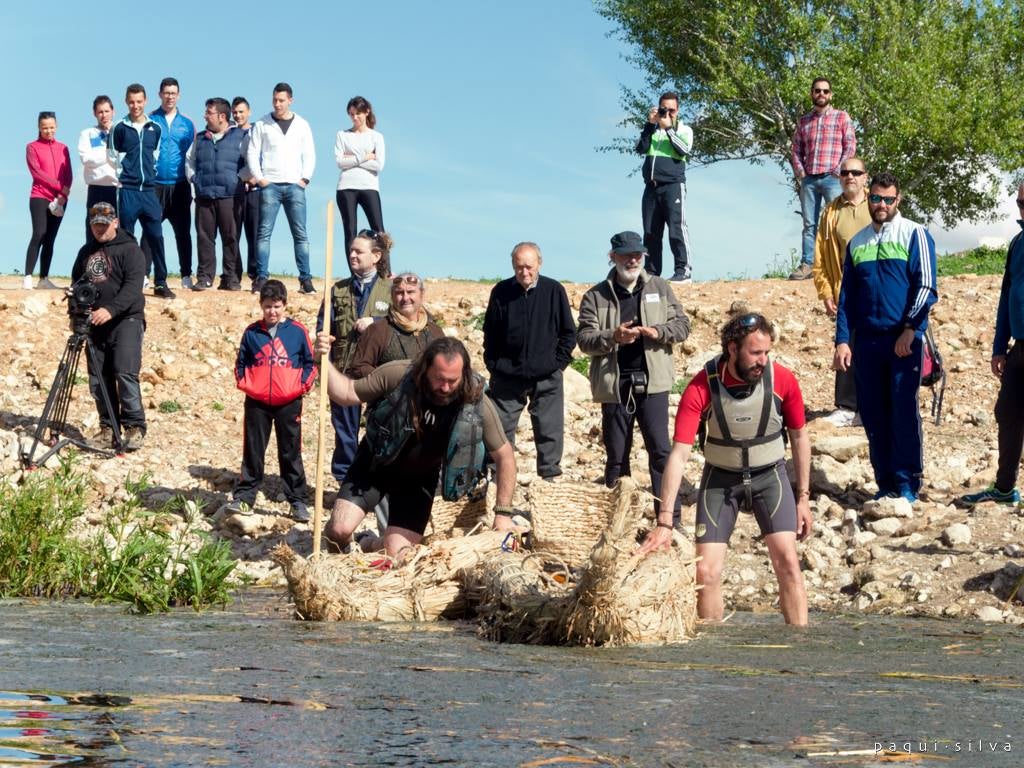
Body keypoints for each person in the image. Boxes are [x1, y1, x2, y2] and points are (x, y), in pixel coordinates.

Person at [639, 312, 812, 626]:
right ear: (732, 349)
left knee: (788, 561)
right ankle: (712, 658)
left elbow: (800, 437)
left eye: (766, 353)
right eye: (755, 353)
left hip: (770, 478)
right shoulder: (702, 387)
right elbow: (678, 456)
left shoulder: (783, 380)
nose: (763, 360)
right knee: (706, 571)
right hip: (720, 481)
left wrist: (803, 498)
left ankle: (800, 650)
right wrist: (665, 521)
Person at [316, 336, 518, 558]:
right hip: (376, 462)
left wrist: (503, 513)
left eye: (453, 380)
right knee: (339, 529)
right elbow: (347, 393)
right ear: (425, 369)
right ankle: (340, 548)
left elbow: (505, 457)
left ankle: (367, 543)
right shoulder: (399, 374)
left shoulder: (474, 399)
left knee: (397, 554)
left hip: (418, 479)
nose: (445, 387)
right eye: (439, 379)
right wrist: (322, 361)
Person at [834, 171, 938, 502]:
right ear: (869, 198)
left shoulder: (915, 233)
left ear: (899, 199)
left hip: (902, 341)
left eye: (888, 199)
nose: (881, 205)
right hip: (867, 342)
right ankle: (885, 483)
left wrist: (911, 329)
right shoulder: (857, 243)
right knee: (874, 412)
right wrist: (842, 340)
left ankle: (908, 483)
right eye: (876, 198)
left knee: (902, 411)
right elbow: (846, 297)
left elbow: (926, 287)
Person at [577, 230, 691, 525]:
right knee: (616, 457)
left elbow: (682, 326)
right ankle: (616, 524)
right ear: (612, 257)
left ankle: (670, 521)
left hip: (653, 385)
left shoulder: (660, 287)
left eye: (637, 254)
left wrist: (658, 332)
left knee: (661, 453)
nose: (632, 259)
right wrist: (613, 336)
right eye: (626, 254)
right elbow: (585, 340)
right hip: (615, 386)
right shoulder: (595, 295)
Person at [482, 242, 576, 479]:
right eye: (518, 267)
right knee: (499, 432)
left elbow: (568, 332)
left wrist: (557, 365)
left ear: (539, 264)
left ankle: (549, 482)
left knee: (550, 432)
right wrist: (494, 365)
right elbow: (490, 334)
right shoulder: (501, 291)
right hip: (507, 377)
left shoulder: (554, 290)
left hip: (546, 376)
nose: (524, 272)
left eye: (529, 267)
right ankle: (496, 482)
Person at [957, 184, 1024, 507]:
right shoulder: (1018, 243)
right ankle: (1004, 488)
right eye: (1020, 203)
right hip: (1019, 347)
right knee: (1007, 412)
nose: (1022, 210)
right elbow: (1006, 295)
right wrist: (1000, 346)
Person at [227, 279, 316, 521]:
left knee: (290, 451)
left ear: (285, 305)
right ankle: (245, 497)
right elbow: (241, 362)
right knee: (253, 449)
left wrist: (302, 386)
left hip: (289, 401)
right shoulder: (252, 332)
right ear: (261, 306)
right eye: (267, 306)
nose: (272, 311)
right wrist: (245, 383)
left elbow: (310, 363)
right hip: (257, 401)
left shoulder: (298, 332)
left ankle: (297, 502)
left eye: (276, 306)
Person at [318, 230, 393, 482]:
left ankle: (373, 484)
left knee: (379, 429)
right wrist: (322, 338)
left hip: (378, 374)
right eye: (350, 250)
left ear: (376, 256)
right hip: (343, 371)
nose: (352, 255)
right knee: (345, 432)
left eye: (358, 251)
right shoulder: (337, 289)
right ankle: (345, 482)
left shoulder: (392, 290)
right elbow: (323, 325)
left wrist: (376, 321)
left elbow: (405, 323)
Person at [70, 202, 147, 451]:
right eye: (95, 225)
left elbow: (133, 288)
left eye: (104, 224)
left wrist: (110, 310)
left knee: (124, 371)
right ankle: (108, 428)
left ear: (115, 222)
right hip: (94, 324)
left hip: (127, 319)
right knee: (98, 377)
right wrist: (76, 312)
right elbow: (76, 284)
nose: (99, 230)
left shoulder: (130, 250)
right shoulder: (85, 252)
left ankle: (134, 427)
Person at [813, 156, 872, 427]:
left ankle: (872, 408)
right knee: (846, 344)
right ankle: (847, 407)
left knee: (875, 348)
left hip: (878, 290)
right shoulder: (831, 212)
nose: (850, 177)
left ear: (865, 176)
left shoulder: (877, 204)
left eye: (856, 172)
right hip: (846, 289)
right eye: (845, 172)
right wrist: (825, 290)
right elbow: (821, 255)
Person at [246, 82, 316, 295]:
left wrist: (304, 179)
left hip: (295, 185)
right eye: (275, 100)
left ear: (290, 101)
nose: (277, 104)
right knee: (264, 233)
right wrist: (259, 178)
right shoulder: (262, 124)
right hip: (270, 185)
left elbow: (309, 153)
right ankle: (261, 278)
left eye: (282, 100)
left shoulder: (302, 124)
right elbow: (252, 151)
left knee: (300, 234)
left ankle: (306, 280)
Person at [109, 83, 174, 299]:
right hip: (127, 190)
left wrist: (150, 176)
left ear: (145, 101)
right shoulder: (118, 128)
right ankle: (128, 283)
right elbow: (111, 156)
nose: (135, 105)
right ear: (126, 102)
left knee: (156, 236)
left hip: (149, 191)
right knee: (126, 238)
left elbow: (155, 155)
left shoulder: (155, 128)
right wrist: (122, 176)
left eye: (139, 101)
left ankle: (161, 282)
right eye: (131, 102)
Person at [790, 77, 856, 281]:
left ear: (830, 95)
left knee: (838, 221)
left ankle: (844, 265)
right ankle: (807, 265)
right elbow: (796, 150)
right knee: (809, 224)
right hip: (809, 180)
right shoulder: (804, 121)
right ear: (812, 93)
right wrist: (801, 173)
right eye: (817, 91)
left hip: (832, 178)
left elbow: (850, 145)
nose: (821, 94)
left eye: (825, 91)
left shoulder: (841, 117)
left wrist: (838, 171)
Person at [185, 98, 244, 290]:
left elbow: (251, 161)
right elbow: (189, 161)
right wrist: (194, 179)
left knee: (231, 237)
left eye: (209, 113)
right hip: (204, 196)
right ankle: (205, 278)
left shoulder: (241, 136)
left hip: (230, 196)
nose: (205, 116)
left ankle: (231, 279)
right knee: (204, 237)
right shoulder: (200, 138)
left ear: (222, 116)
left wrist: (239, 179)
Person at [636, 90, 694, 282]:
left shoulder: (684, 129)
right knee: (651, 232)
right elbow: (640, 149)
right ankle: (652, 273)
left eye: (672, 110)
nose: (667, 113)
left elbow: (683, 149)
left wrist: (669, 129)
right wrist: (649, 125)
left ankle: (683, 271)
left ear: (678, 111)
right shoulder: (652, 131)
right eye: (664, 109)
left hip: (673, 185)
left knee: (676, 228)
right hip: (651, 187)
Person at [147, 77, 195, 290]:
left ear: (179, 95)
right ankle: (144, 274)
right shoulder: (150, 120)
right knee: (151, 231)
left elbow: (192, 155)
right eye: (166, 93)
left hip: (179, 185)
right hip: (155, 184)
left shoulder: (187, 124)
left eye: (173, 93)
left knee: (183, 232)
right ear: (160, 94)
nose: (170, 97)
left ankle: (186, 274)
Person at [349, 272, 444, 378]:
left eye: (410, 292)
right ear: (392, 296)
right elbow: (359, 367)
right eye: (399, 293)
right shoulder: (378, 330)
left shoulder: (435, 331)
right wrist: (390, 382)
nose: (405, 298)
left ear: (422, 294)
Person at [25, 110, 72, 290]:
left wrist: (63, 195)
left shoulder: (63, 148)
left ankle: (43, 278)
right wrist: (61, 187)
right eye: (45, 128)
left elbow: (68, 173)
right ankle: (28, 276)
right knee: (39, 233)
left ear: (56, 126)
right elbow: (37, 173)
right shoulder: (32, 147)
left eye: (52, 127)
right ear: (39, 127)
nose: (49, 131)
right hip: (39, 196)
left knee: (51, 238)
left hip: (60, 199)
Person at [334, 95, 386, 253]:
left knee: (378, 230)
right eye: (351, 114)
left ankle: (385, 271)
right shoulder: (342, 135)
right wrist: (365, 156)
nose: (354, 117)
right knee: (350, 231)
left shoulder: (376, 137)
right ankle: (354, 274)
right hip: (346, 187)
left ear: (367, 112)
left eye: (358, 113)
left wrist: (351, 157)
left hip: (369, 186)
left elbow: (378, 164)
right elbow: (340, 162)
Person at [77, 95, 119, 237]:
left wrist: (101, 156)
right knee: (93, 230)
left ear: (113, 111)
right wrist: (109, 153)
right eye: (100, 112)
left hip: (116, 188)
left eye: (107, 111)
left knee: (115, 230)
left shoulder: (120, 131)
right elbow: (87, 159)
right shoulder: (87, 134)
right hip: (96, 189)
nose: (104, 115)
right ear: (94, 113)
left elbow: (123, 159)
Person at [232, 96, 260, 289]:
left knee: (255, 234)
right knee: (233, 233)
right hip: (235, 190)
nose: (238, 115)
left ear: (248, 112)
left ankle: (256, 275)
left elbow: (263, 158)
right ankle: (234, 274)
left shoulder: (258, 131)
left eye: (241, 111)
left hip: (255, 190)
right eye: (235, 112)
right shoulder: (229, 133)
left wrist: (253, 177)